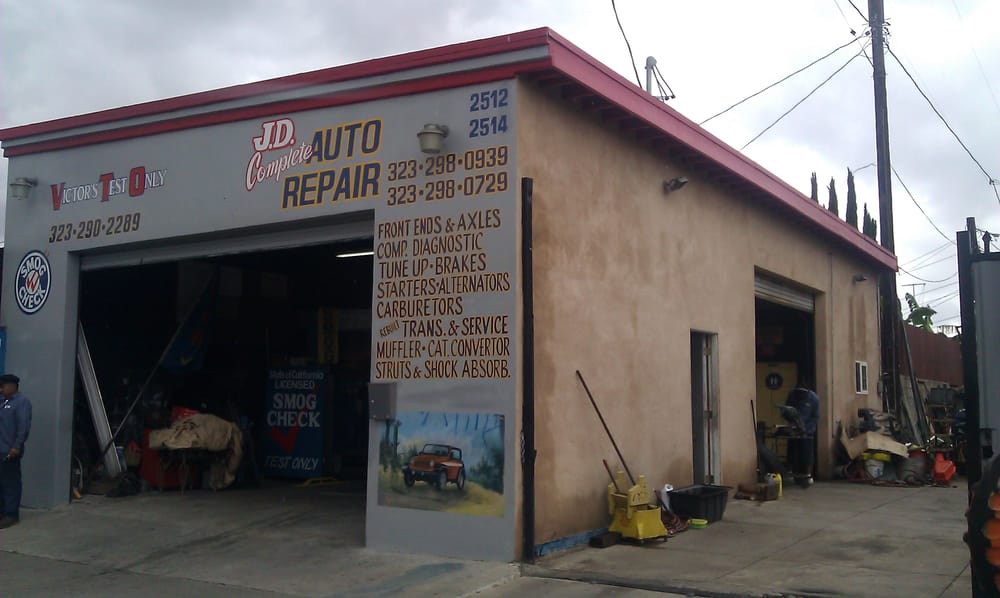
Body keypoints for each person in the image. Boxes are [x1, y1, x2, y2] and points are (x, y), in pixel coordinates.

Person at [0, 374, 32, 528]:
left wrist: (16, 446)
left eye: (3, 386)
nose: (1, 389)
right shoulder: (3, 402)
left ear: (13, 386)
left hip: (9, 450)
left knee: (10, 483)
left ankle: (11, 514)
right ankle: (2, 511)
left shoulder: (21, 403)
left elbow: (23, 427)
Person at [784, 383, 819, 487]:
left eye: (802, 394)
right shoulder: (792, 394)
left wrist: (806, 429)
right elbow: (786, 410)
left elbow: (815, 416)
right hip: (794, 428)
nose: (800, 396)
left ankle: (808, 475)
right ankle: (793, 473)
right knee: (793, 451)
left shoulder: (814, 399)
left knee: (807, 453)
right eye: (798, 393)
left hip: (807, 430)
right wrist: (790, 421)